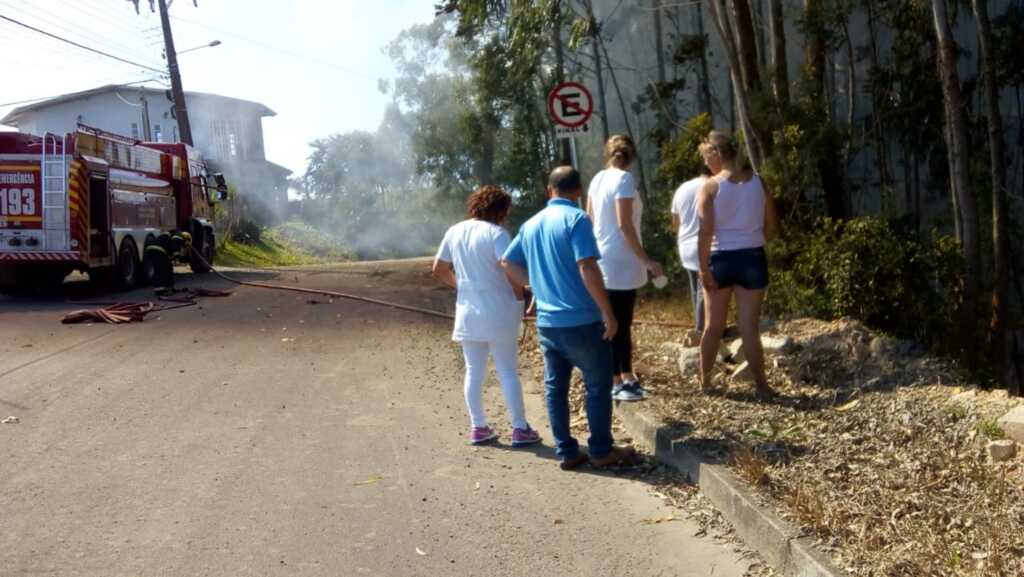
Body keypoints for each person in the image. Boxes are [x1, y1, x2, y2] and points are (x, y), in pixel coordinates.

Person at [502, 166, 636, 470]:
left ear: (550, 190)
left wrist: (532, 286)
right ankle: (601, 450)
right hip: (582, 321)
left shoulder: (531, 224)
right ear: (578, 193)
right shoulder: (576, 219)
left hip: (548, 324)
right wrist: (607, 310)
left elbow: (507, 262)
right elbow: (587, 266)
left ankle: (566, 451)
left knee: (555, 388)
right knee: (598, 385)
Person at [432, 185, 542, 447]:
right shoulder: (497, 234)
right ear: (501, 210)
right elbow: (509, 267)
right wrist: (524, 294)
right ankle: (519, 427)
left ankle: (478, 426)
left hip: (468, 310)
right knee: (507, 370)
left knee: (473, 370)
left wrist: (462, 285)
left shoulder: (454, 231)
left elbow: (438, 268)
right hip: (499, 309)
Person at [696, 131, 780, 399]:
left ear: (718, 155)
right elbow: (771, 226)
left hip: (721, 258)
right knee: (749, 327)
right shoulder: (759, 182)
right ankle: (761, 385)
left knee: (713, 326)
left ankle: (705, 382)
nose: (707, 164)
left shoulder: (710, 187)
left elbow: (705, 232)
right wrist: (754, 240)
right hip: (752, 257)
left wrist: (702, 267)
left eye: (708, 157)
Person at [586, 134, 663, 402]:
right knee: (622, 322)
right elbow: (625, 224)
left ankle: (622, 377)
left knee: (612, 321)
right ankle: (620, 380)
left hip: (602, 259)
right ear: (632, 157)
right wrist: (647, 260)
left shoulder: (597, 179)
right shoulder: (625, 179)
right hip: (622, 259)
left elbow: (590, 218)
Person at [670, 143, 720, 341]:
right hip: (705, 243)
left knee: (696, 288)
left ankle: (700, 328)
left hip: (685, 244)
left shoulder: (681, 189)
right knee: (705, 288)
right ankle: (702, 331)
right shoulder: (714, 186)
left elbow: (676, 222)